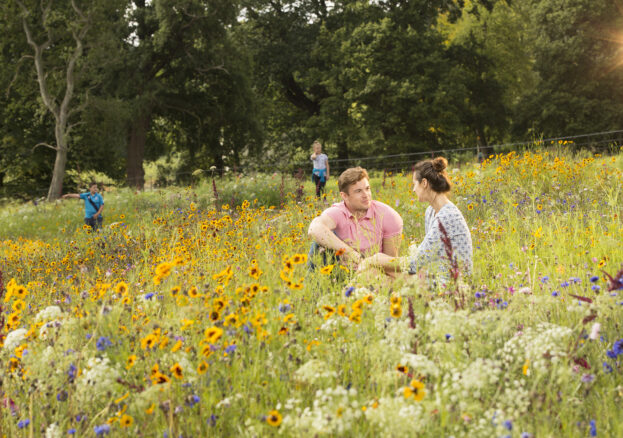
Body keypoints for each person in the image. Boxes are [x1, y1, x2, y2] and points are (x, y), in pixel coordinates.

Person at [358, 157, 472, 282]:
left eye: (414, 184)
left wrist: (376, 259)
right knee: (376, 272)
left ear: (424, 183)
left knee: (378, 273)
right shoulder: (431, 211)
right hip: (433, 274)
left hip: (450, 284)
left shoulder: (447, 217)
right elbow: (424, 259)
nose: (413, 189)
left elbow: (414, 264)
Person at [307, 167, 403, 268]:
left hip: (372, 273)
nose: (366, 195)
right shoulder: (339, 211)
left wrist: (363, 263)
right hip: (342, 270)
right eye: (358, 191)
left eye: (367, 189)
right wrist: (349, 253)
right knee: (320, 240)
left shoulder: (387, 215)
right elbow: (314, 228)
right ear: (344, 196)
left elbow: (390, 264)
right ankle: (314, 282)